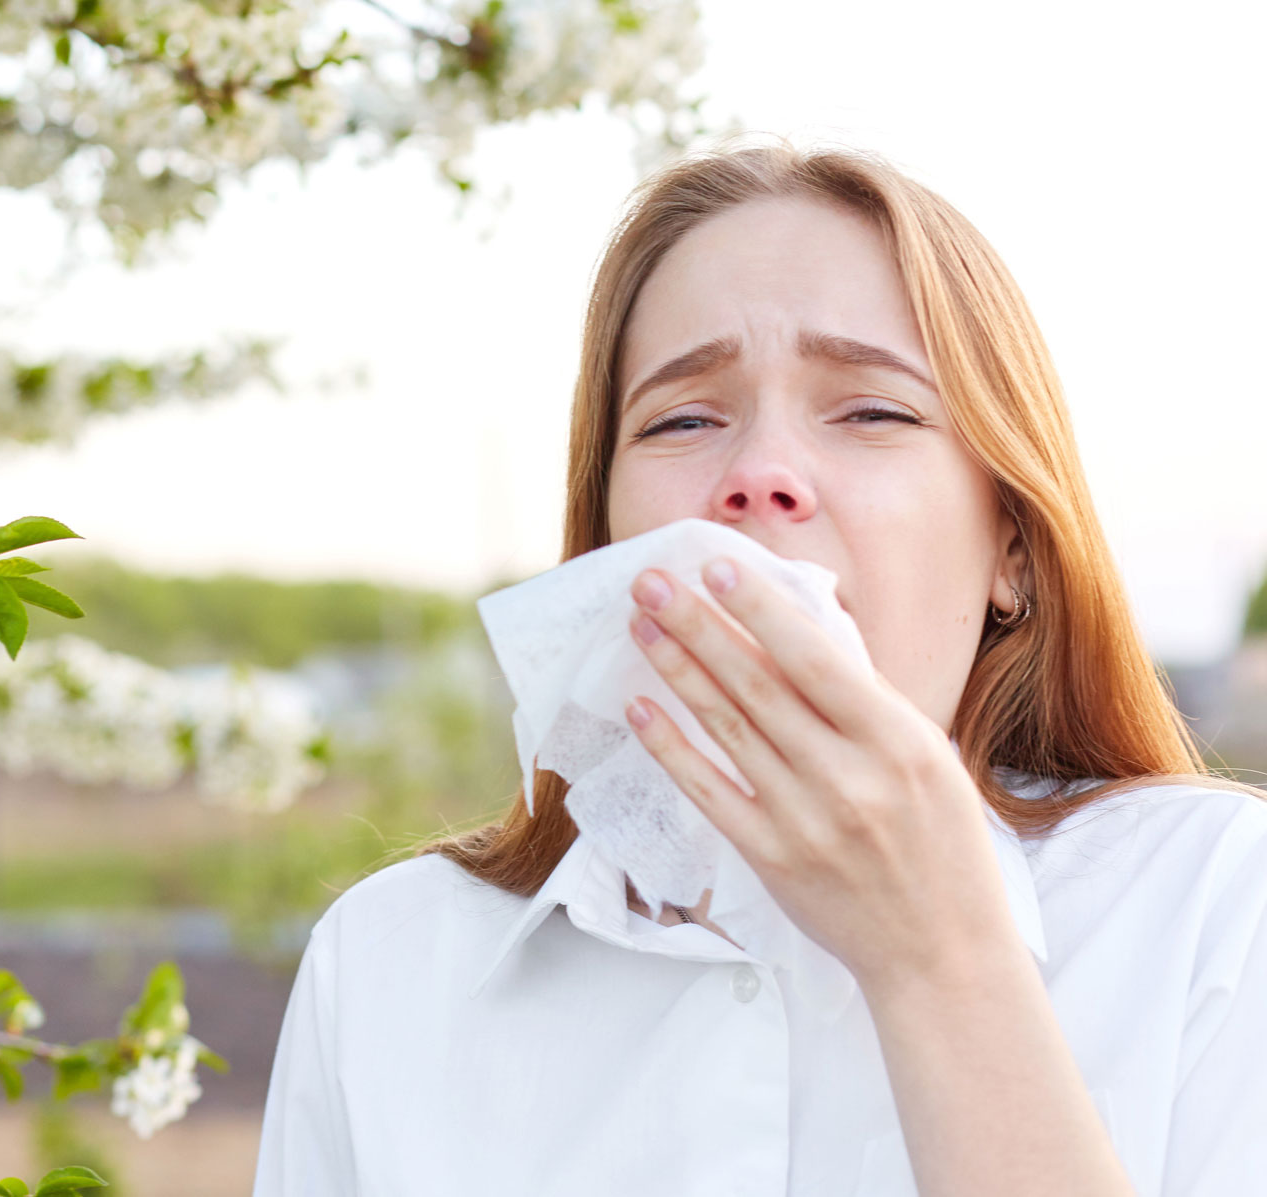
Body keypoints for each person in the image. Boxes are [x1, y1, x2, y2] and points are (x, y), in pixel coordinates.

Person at [248, 134, 1267, 1196]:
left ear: (1011, 545)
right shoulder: (386, 964)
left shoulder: (1219, 907)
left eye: (872, 411)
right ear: (605, 539)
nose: (761, 475)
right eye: (684, 418)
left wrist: (939, 962)